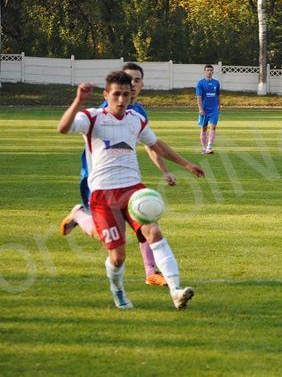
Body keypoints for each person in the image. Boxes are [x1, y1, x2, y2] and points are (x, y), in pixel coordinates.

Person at [58, 71, 205, 310]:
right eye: (116, 94)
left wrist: (186, 164)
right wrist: (79, 100)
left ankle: (176, 291)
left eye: (126, 94)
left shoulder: (135, 119)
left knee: (154, 233)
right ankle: (117, 288)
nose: (121, 100)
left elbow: (156, 145)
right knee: (118, 257)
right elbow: (63, 128)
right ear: (106, 95)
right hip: (103, 194)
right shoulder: (92, 117)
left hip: (133, 190)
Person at [59, 63, 174, 287]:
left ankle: (151, 271)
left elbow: (151, 144)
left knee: (145, 213)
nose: (132, 85)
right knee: (102, 232)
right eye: (129, 80)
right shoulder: (106, 109)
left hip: (125, 181)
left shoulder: (137, 112)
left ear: (141, 84)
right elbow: (70, 128)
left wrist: (165, 170)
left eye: (136, 81)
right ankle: (79, 215)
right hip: (97, 181)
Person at [196, 64, 221, 154]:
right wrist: (200, 109)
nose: (209, 72)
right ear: (204, 72)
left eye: (211, 70)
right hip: (204, 109)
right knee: (204, 128)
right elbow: (199, 97)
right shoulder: (200, 83)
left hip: (214, 109)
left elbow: (218, 95)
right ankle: (204, 148)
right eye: (207, 70)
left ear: (213, 72)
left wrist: (219, 106)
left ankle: (209, 147)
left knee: (213, 127)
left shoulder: (216, 83)